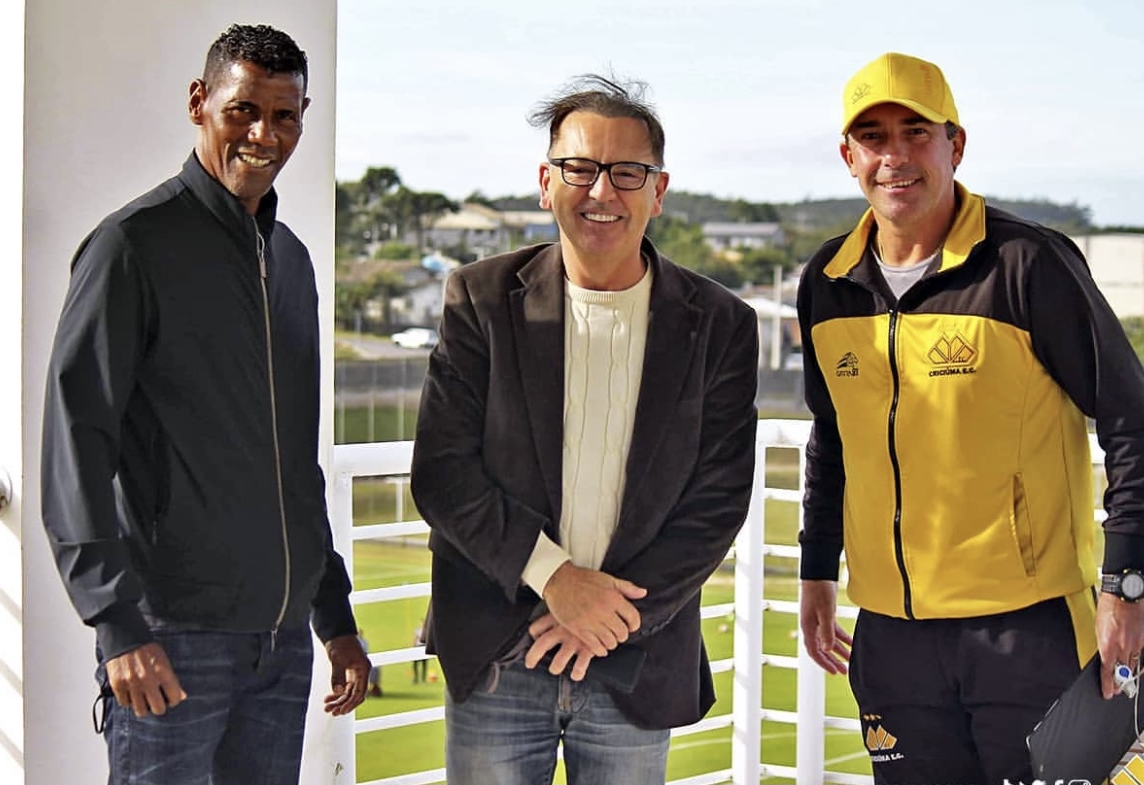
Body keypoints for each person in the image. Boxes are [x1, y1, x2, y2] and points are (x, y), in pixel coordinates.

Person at [795, 52, 1144, 783]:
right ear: (849, 156)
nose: (895, 156)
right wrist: (817, 572)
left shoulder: (1028, 263)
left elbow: (1135, 422)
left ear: (955, 144)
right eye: (873, 137)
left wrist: (1125, 582)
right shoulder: (828, 281)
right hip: (892, 639)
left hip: (1026, 630)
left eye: (916, 132)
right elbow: (832, 438)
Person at [41, 23, 370, 785]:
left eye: (285, 115)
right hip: (171, 635)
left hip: (278, 642)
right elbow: (76, 438)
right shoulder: (130, 246)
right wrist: (116, 622)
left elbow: (296, 459)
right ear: (200, 102)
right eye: (243, 110)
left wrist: (336, 617)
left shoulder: (290, 261)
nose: (264, 134)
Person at [410, 73, 759, 785]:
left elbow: (717, 499)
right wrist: (556, 579)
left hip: (634, 659)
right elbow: (443, 473)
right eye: (580, 168)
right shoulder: (479, 300)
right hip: (501, 655)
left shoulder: (721, 324)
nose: (602, 191)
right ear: (546, 182)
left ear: (658, 191)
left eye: (628, 172)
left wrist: (608, 616)